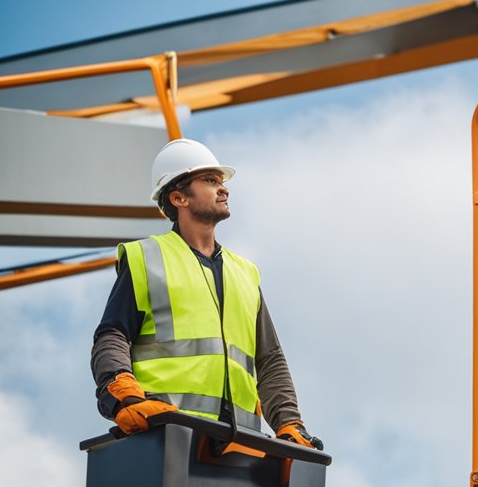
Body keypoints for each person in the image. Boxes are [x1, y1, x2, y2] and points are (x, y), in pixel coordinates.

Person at [91, 138, 322, 450]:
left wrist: (289, 423)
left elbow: (270, 360)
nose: (223, 189)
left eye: (221, 182)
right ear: (178, 197)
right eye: (211, 181)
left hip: (241, 445)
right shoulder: (147, 258)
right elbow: (113, 334)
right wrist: (121, 393)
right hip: (166, 434)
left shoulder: (244, 273)